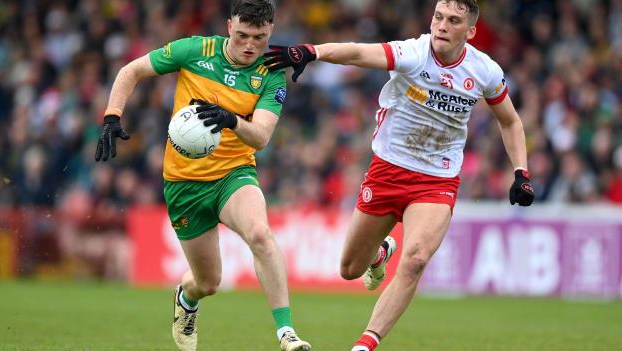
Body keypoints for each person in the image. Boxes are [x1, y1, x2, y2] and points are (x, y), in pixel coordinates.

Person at [265, 1, 534, 350]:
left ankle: (365, 344)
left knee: (416, 259)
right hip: (388, 171)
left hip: (436, 180)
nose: (442, 25)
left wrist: (521, 171)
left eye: (454, 21)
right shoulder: (413, 53)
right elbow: (358, 54)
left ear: (470, 32)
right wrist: (312, 51)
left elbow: (509, 120)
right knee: (349, 269)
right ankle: (378, 255)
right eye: (439, 17)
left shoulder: (485, 71)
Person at [94, 1, 311, 350]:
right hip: (184, 183)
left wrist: (231, 120)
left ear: (271, 31)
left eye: (259, 37)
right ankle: (186, 300)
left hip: (233, 173)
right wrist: (112, 116)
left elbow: (262, 137)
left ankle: (287, 333)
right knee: (208, 282)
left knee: (259, 233)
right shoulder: (195, 50)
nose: (249, 46)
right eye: (242, 35)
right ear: (228, 26)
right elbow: (130, 71)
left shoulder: (271, 71)